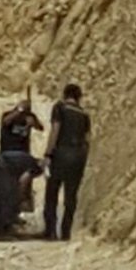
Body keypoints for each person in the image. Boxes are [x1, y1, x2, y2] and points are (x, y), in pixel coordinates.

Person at [42, 82, 91, 241]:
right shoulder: (84, 114)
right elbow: (87, 140)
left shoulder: (60, 108)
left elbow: (55, 130)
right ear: (79, 97)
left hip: (60, 154)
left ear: (65, 94)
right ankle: (66, 232)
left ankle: (50, 231)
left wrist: (48, 154)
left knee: (52, 192)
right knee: (71, 196)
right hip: (78, 157)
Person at [0, 99, 44, 212]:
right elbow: (6, 121)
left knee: (40, 166)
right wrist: (19, 111)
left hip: (24, 155)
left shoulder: (29, 117)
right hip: (8, 153)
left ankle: (23, 194)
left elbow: (40, 128)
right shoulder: (8, 115)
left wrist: (33, 122)